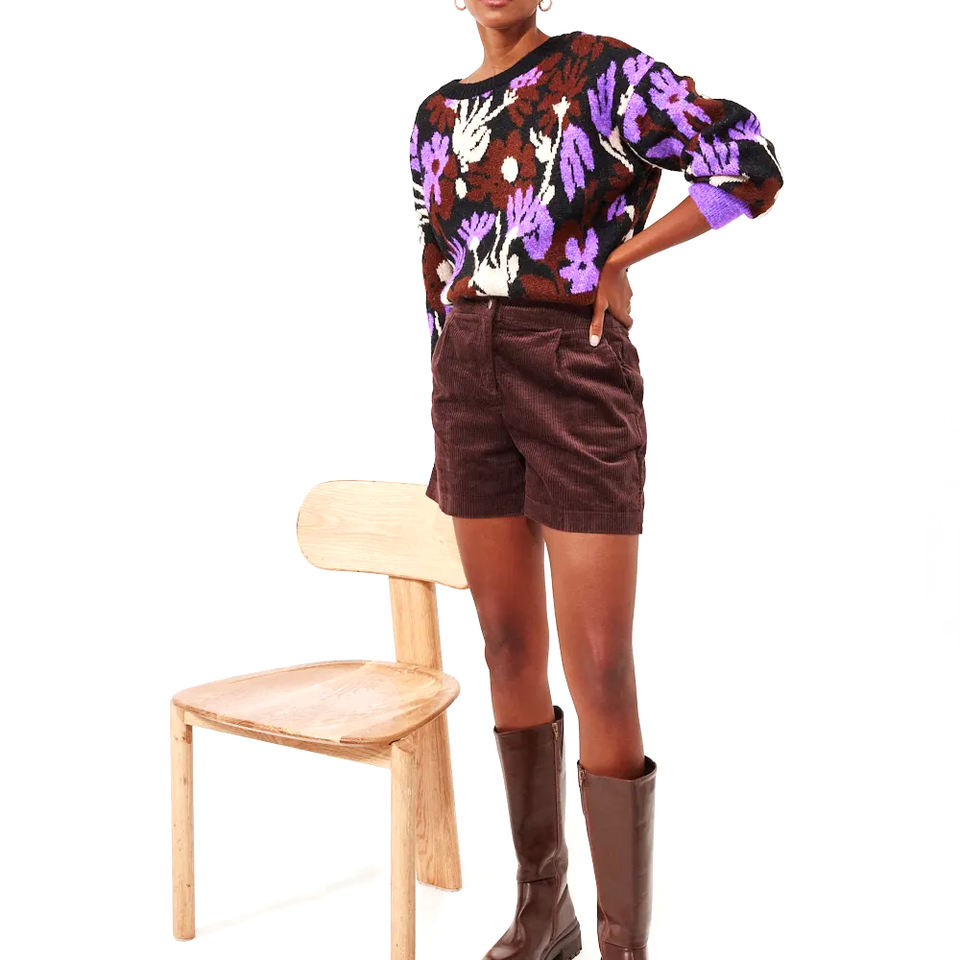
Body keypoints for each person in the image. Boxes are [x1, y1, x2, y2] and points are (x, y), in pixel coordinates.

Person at [407, 2, 783, 958]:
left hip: (573, 370)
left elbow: (750, 164)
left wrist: (625, 256)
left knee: (602, 663)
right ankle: (546, 909)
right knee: (505, 647)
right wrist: (444, 410)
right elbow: (433, 266)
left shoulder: (603, 72)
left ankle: (624, 946)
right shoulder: (434, 117)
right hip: (466, 379)